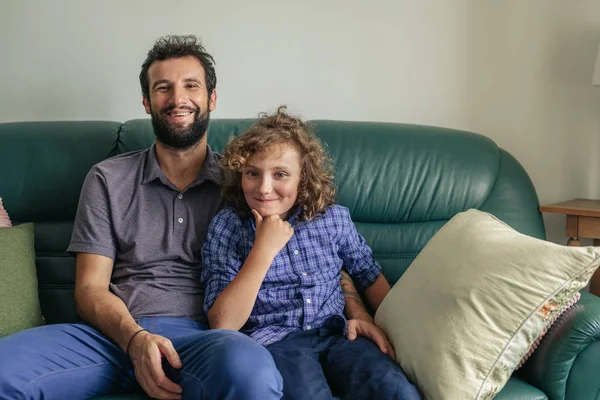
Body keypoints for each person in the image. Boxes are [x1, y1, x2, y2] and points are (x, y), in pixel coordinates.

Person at [0, 35, 283, 400]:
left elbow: (313, 242)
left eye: (190, 86)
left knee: (253, 374)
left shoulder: (247, 182)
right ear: (147, 102)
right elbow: (89, 290)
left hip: (206, 340)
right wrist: (134, 339)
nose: (178, 99)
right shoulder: (107, 178)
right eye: (163, 88)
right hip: (109, 338)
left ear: (211, 98)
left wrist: (355, 308)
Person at [201, 106, 422, 400]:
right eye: (252, 173)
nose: (264, 188)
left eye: (280, 174)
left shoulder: (332, 219)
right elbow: (222, 322)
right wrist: (263, 250)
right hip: (277, 343)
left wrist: (383, 328)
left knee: (396, 392)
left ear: (303, 178)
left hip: (341, 334)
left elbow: (368, 275)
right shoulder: (228, 226)